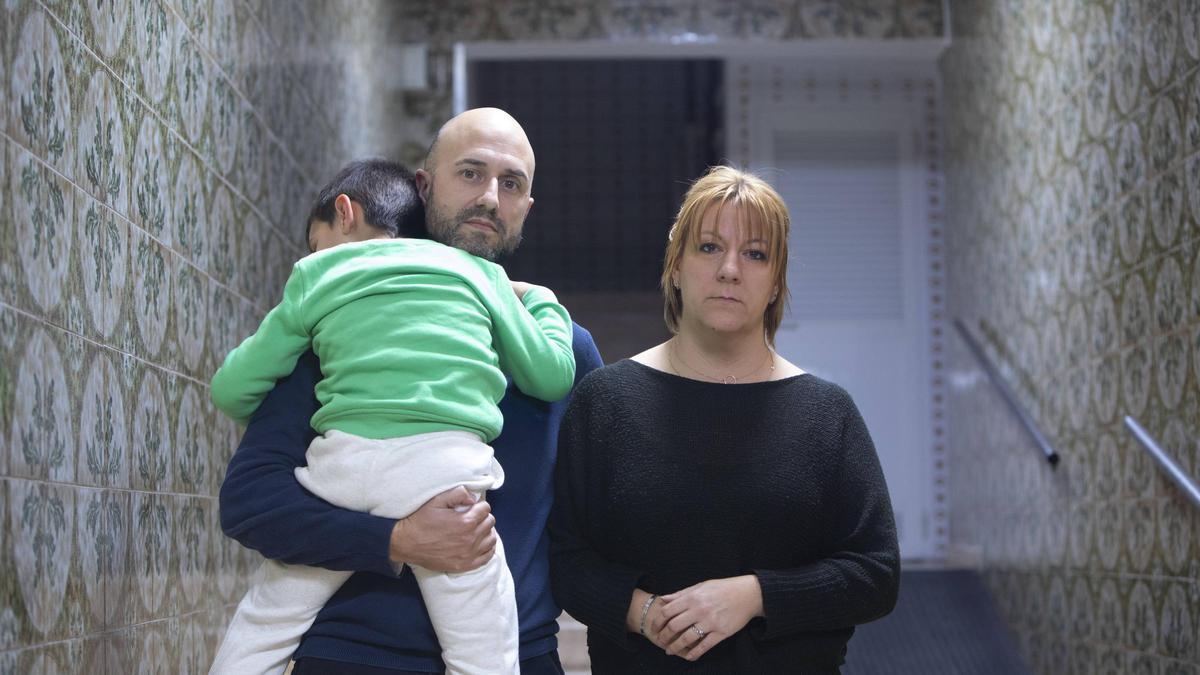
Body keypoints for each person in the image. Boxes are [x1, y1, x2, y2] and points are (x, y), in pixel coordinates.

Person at [217, 108, 604, 674]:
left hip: (525, 651)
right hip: (352, 654)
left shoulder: (569, 346)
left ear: (526, 207)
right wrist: (396, 539)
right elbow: (251, 505)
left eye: (511, 183)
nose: (491, 198)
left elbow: (590, 532)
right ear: (425, 187)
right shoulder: (341, 331)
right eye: (470, 173)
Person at [549, 166, 900, 673]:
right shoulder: (606, 401)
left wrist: (755, 595)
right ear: (675, 266)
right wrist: (642, 613)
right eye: (709, 247)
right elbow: (565, 556)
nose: (730, 270)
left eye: (755, 254)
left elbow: (876, 574)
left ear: (776, 283)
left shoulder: (827, 414)